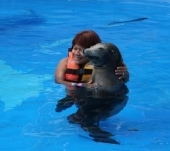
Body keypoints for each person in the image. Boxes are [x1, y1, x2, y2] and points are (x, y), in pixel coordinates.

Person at [54, 30, 129, 112]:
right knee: (60, 108)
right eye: (75, 48)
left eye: (82, 50)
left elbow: (122, 80)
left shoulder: (101, 65)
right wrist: (82, 85)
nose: (77, 53)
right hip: (72, 93)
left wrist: (125, 75)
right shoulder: (64, 62)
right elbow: (58, 80)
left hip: (94, 95)